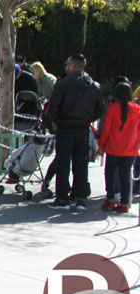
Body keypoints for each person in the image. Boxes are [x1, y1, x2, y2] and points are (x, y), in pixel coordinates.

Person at [47, 53, 103, 211]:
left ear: (72, 66)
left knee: (63, 162)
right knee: (81, 163)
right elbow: (100, 109)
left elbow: (53, 108)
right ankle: (80, 198)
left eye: (67, 64)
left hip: (65, 126)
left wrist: (57, 121)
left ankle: (62, 198)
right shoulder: (95, 86)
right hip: (83, 127)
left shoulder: (63, 84)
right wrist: (88, 119)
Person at [97, 80, 140, 213]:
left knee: (110, 172)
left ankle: (110, 199)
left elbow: (106, 130)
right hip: (130, 149)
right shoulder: (137, 110)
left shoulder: (112, 108)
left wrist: (101, 145)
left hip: (114, 148)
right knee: (126, 174)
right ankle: (125, 202)